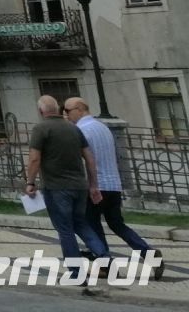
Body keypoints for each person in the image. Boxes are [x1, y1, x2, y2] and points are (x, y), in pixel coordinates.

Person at [65, 97, 160, 279]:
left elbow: (81, 160)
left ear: (79, 109)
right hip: (113, 184)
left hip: (96, 186)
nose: (66, 115)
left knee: (92, 225)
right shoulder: (103, 128)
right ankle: (147, 252)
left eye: (68, 111)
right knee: (117, 224)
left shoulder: (81, 131)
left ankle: (106, 264)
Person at [26, 93, 110, 291]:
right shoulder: (74, 128)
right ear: (58, 109)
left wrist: (30, 182)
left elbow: (35, 159)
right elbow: (89, 158)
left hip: (56, 187)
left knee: (65, 229)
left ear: (40, 111)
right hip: (79, 186)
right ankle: (103, 254)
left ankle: (75, 273)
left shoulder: (41, 129)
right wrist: (93, 185)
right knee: (80, 223)